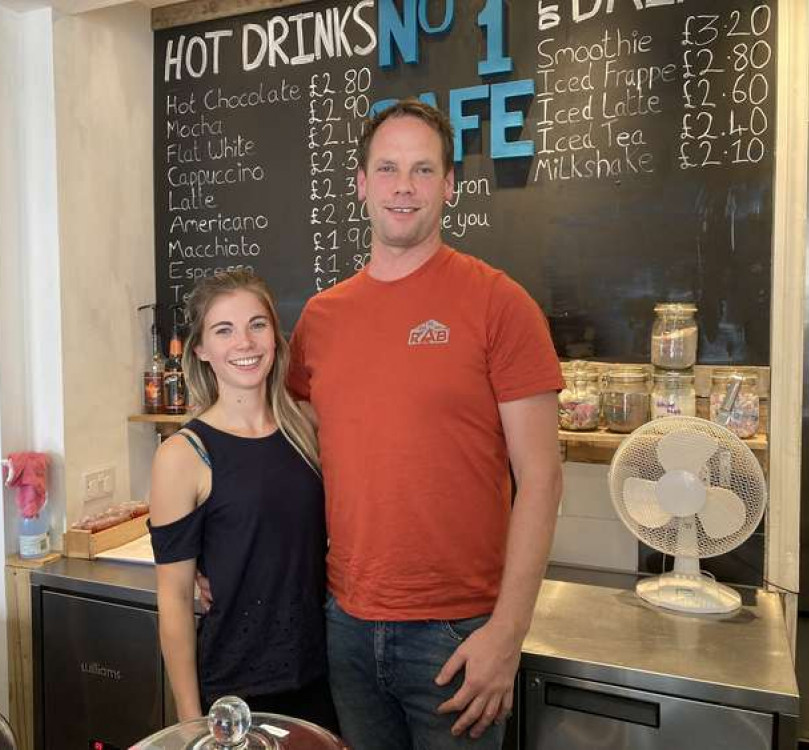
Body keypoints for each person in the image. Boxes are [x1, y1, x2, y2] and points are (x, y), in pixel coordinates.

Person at [288, 99, 564, 749]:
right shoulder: (320, 320)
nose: (403, 187)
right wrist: (208, 547)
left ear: (448, 186)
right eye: (386, 169)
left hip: (458, 635)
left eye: (421, 169)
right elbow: (286, 456)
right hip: (346, 625)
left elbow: (542, 478)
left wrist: (507, 631)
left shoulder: (499, 303)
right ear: (360, 184)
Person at [148, 270, 337, 731]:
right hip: (236, 693)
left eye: (257, 324)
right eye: (224, 330)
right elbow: (173, 599)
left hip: (322, 677)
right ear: (201, 350)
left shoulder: (307, 428)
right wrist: (191, 726)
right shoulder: (184, 454)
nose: (245, 343)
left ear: (275, 335)